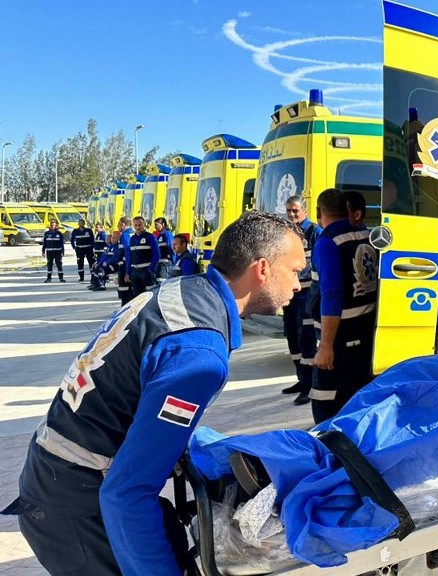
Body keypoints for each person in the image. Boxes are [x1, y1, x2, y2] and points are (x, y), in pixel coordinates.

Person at [2, 211, 306, 576]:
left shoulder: (185, 292)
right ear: (262, 269)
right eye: (295, 271)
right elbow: (126, 493)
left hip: (61, 478)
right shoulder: (200, 354)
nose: (299, 285)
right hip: (79, 509)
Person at [310, 188, 378, 423]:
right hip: (365, 328)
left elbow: (331, 294)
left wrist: (326, 346)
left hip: (339, 334)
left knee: (325, 401)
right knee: (356, 394)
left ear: (320, 212)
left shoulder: (328, 242)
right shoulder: (366, 236)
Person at [280, 195, 322, 405]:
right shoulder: (286, 234)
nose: (291, 214)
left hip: (307, 295)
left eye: (295, 210)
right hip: (290, 295)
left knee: (306, 341)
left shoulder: (314, 232)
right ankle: (301, 379)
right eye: (288, 211)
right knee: (292, 339)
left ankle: (309, 386)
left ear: (304, 210)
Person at [125, 216, 159, 298]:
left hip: (146, 271)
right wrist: (128, 272)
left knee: (149, 295)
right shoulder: (132, 239)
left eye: (140, 225)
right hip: (134, 272)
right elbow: (130, 257)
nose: (138, 227)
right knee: (137, 297)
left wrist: (151, 269)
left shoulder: (149, 237)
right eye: (135, 225)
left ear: (144, 224)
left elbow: (156, 254)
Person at [116, 217, 134, 305]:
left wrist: (127, 271)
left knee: (124, 290)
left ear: (123, 224)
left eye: (119, 224)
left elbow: (127, 252)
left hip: (124, 266)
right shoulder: (133, 233)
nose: (117, 226)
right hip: (132, 264)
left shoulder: (124, 235)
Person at [153, 217, 174, 283]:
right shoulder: (159, 236)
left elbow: (171, 248)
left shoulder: (167, 235)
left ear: (163, 224)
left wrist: (174, 261)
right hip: (160, 263)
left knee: (162, 281)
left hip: (166, 263)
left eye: (157, 225)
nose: (155, 227)